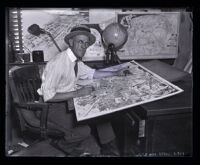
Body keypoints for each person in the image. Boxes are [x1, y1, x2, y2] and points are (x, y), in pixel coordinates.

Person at [37, 25, 127, 156]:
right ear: (71, 42)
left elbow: (93, 74)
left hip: (67, 102)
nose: (83, 46)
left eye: (86, 43)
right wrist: (78, 93)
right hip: (52, 108)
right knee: (85, 130)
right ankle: (61, 145)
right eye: (80, 42)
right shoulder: (58, 63)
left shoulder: (76, 61)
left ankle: (110, 150)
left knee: (101, 115)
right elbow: (48, 96)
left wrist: (116, 73)